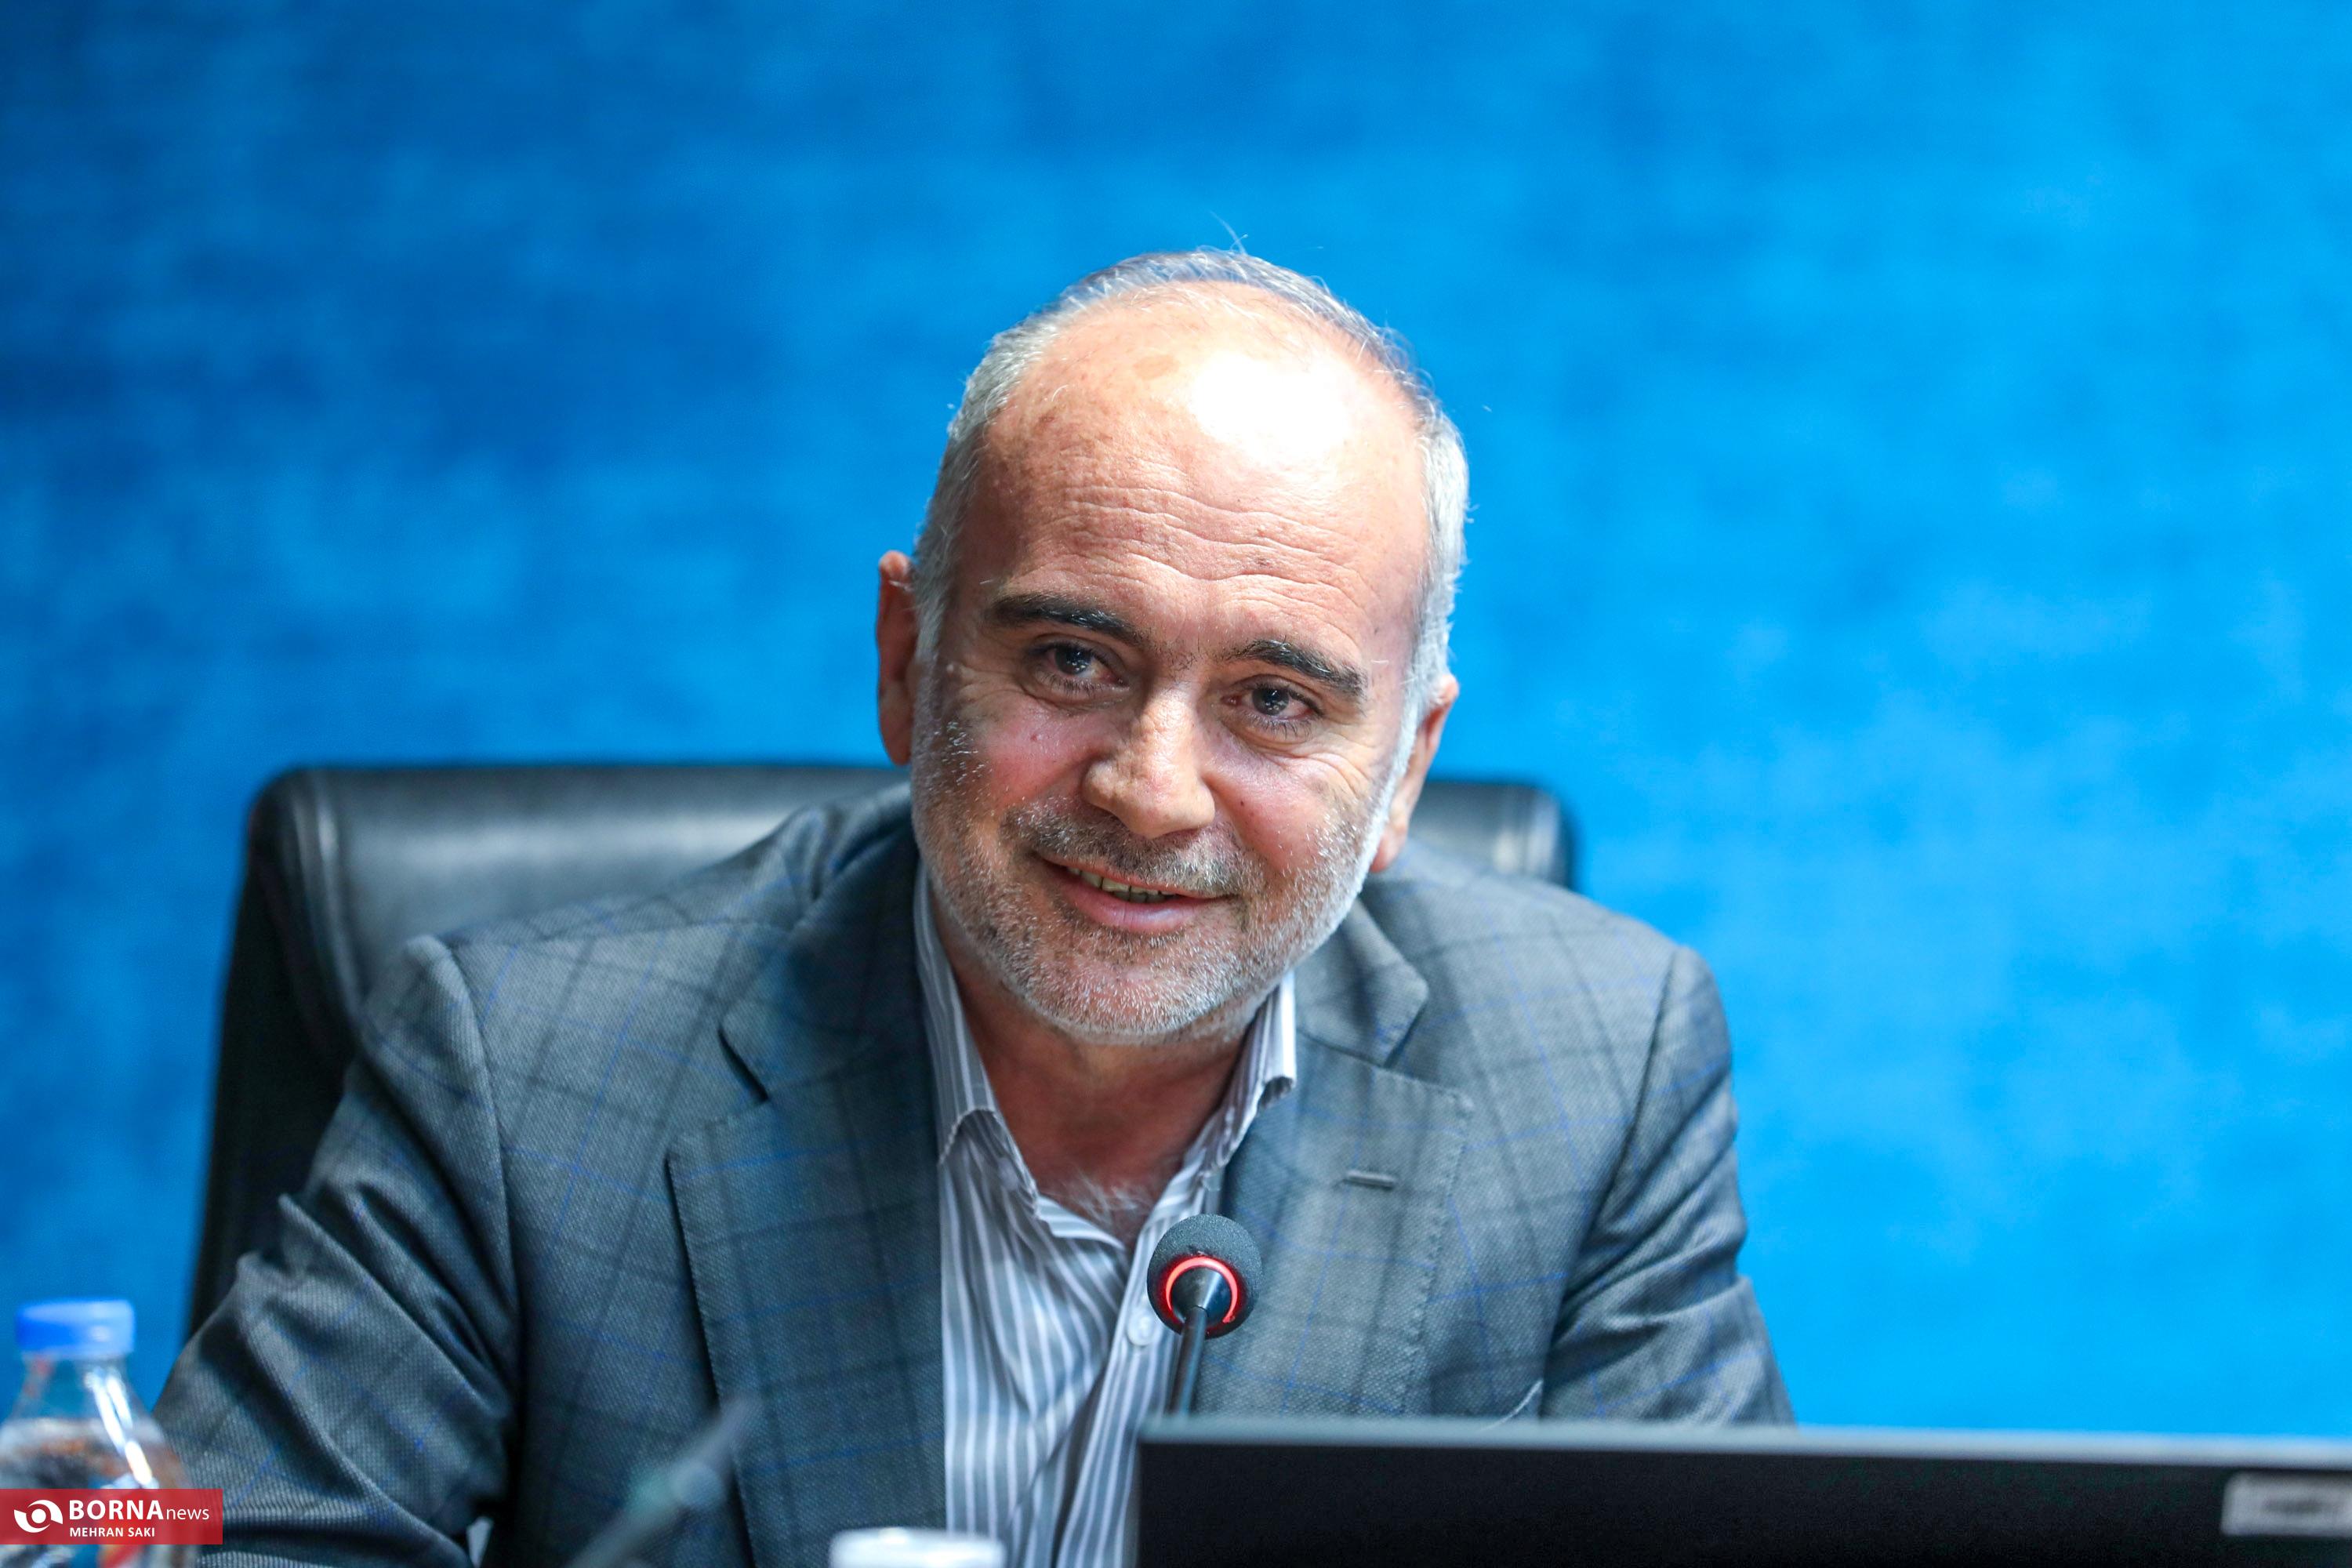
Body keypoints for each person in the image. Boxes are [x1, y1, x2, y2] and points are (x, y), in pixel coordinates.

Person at [158, 251, 1789, 1568]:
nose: (1151, 790)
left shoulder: (1597, 1069)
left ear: (1407, 768)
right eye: (1073, 660)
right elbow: (202, 1537)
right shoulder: (525, 1070)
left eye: (1276, 701)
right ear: (907, 660)